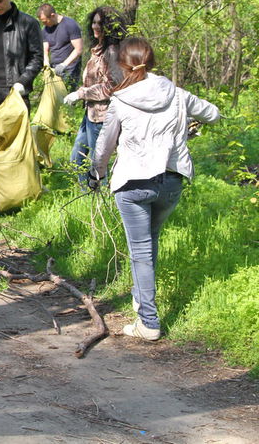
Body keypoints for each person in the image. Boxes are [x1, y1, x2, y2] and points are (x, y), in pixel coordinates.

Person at [90, 37, 220, 341]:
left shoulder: (121, 100)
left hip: (133, 183)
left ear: (122, 65)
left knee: (140, 251)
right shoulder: (177, 94)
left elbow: (103, 148)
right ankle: (141, 300)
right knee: (149, 244)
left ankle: (148, 320)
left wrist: (96, 174)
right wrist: (192, 126)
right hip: (171, 180)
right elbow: (213, 113)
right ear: (153, 61)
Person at [63, 6, 127, 185]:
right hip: (90, 114)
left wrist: (81, 93)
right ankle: (87, 195)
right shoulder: (98, 49)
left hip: (103, 116)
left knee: (98, 163)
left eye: (101, 23)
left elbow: (112, 86)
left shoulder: (112, 52)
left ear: (111, 26)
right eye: (94, 22)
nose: (95, 26)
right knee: (77, 158)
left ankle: (102, 201)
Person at [38, 3, 83, 90]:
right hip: (54, 69)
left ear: (53, 15)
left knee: (68, 97)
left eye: (45, 21)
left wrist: (64, 65)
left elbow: (79, 49)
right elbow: (45, 49)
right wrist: (46, 64)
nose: (44, 24)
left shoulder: (70, 24)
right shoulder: (45, 29)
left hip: (70, 69)